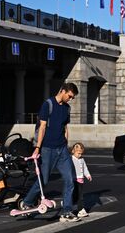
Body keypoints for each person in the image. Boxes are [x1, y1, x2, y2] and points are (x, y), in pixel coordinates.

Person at [22, 82, 80, 223]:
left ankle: (67, 211)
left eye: (72, 97)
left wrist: (66, 144)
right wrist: (37, 148)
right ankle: (27, 203)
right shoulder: (48, 104)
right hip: (47, 149)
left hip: (62, 149)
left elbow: (65, 127)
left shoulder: (67, 108)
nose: (70, 99)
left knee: (69, 179)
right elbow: (42, 127)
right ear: (63, 91)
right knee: (44, 179)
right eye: (70, 96)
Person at [71, 142, 92, 218]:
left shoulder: (82, 159)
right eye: (78, 153)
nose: (80, 155)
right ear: (73, 151)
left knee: (80, 196)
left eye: (81, 154)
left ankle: (80, 210)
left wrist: (88, 175)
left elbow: (85, 168)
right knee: (76, 196)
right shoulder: (71, 159)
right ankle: (77, 209)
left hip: (81, 181)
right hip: (74, 180)